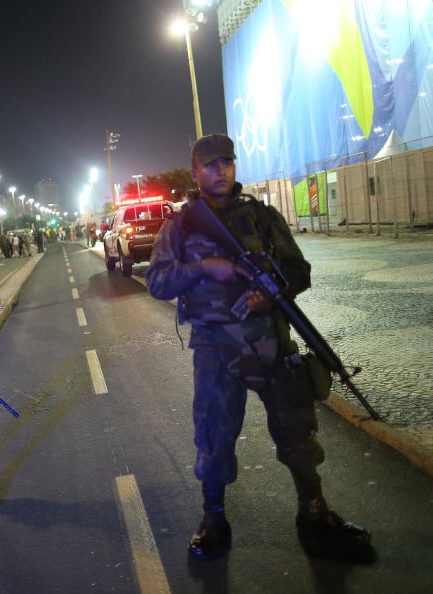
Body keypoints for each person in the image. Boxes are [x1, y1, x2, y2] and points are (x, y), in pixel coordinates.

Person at [145, 133, 371, 562]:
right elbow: (158, 282)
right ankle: (213, 518)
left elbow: (298, 270)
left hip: (270, 342)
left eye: (226, 162)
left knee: (297, 430)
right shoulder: (180, 226)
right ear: (194, 173)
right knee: (214, 436)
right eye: (210, 164)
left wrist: (270, 295)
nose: (220, 170)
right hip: (215, 350)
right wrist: (203, 268)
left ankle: (314, 512)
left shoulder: (263, 218)